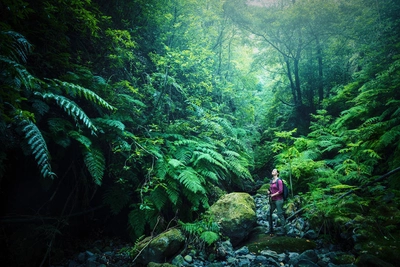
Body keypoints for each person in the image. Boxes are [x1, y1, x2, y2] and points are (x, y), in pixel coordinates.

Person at [267, 168, 286, 235]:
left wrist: (273, 195)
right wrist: (269, 192)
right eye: (272, 170)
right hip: (273, 200)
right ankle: (270, 229)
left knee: (280, 214)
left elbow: (281, 191)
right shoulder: (271, 181)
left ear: (277, 173)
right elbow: (271, 190)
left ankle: (283, 231)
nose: (273, 171)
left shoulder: (279, 181)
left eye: (274, 170)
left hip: (279, 200)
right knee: (268, 214)